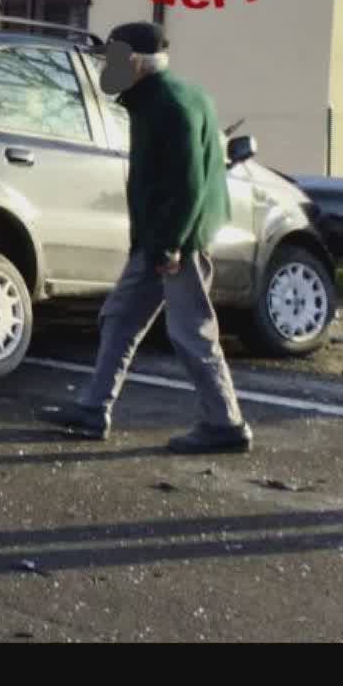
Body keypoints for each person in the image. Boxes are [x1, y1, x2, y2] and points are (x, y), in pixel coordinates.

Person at [41, 22, 253, 453]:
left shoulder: (169, 104)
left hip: (179, 240)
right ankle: (93, 409)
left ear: (135, 61)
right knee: (119, 318)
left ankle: (225, 423)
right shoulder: (162, 98)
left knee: (191, 332)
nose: (107, 68)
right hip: (160, 237)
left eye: (113, 59)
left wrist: (172, 244)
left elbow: (189, 184)